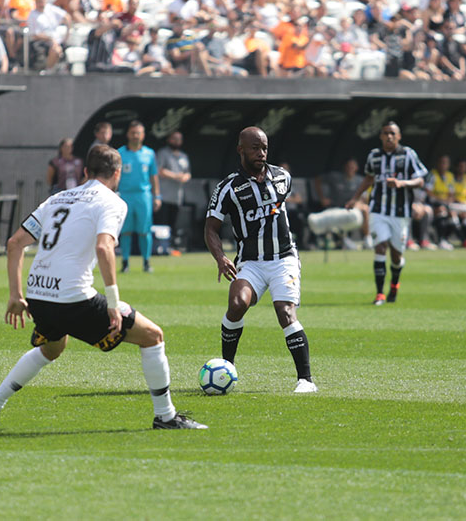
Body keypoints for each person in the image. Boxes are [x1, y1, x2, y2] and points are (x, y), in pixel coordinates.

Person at [0, 144, 206, 430]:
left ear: (85, 171)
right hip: (72, 298)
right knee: (153, 336)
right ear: (117, 173)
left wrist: (16, 295)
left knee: (52, 348)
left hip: (38, 294)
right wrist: (112, 302)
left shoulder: (57, 198)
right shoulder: (112, 201)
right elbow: (104, 246)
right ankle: (166, 416)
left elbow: (14, 243)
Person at [204, 126, 317, 394]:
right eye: (255, 147)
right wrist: (220, 258)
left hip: (283, 259)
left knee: (285, 311)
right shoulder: (228, 188)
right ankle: (226, 370)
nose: (261, 153)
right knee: (236, 304)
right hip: (251, 263)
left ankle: (306, 380)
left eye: (264, 147)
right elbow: (210, 228)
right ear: (240, 149)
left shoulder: (282, 177)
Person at [345, 121, 428, 306]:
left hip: (400, 212)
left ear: (398, 136)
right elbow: (368, 178)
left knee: (397, 255)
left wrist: (402, 183)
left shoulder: (408, 154)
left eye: (392, 133)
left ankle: (395, 284)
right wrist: (355, 198)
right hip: (378, 210)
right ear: (381, 136)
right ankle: (379, 294)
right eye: (385, 133)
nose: (389, 136)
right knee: (380, 247)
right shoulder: (374, 156)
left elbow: (420, 180)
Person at [118, 120, 160, 273]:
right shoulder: (120, 153)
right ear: (128, 134)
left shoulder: (149, 154)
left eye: (138, 133)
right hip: (125, 196)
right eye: (133, 133)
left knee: (144, 230)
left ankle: (146, 262)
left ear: (143, 135)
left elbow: (154, 176)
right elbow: (115, 175)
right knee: (126, 231)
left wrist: (157, 196)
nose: (135, 136)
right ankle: (125, 262)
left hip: (143, 196)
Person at [314, 158, 372, 250]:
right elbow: (317, 179)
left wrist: (356, 203)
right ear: (345, 167)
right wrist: (322, 198)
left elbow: (364, 198)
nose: (350, 169)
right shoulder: (334, 177)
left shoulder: (360, 180)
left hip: (353, 208)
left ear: (356, 168)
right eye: (349, 167)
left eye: (353, 167)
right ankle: (344, 240)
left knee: (365, 209)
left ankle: (367, 239)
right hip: (337, 207)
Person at [155, 130, 191, 243]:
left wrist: (185, 177)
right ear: (169, 140)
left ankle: (171, 245)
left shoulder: (183, 156)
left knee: (174, 223)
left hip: (177, 197)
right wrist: (176, 176)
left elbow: (188, 173)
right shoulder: (163, 153)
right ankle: (161, 246)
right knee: (162, 224)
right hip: (164, 196)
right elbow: (159, 171)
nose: (176, 141)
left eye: (179, 139)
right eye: (174, 138)